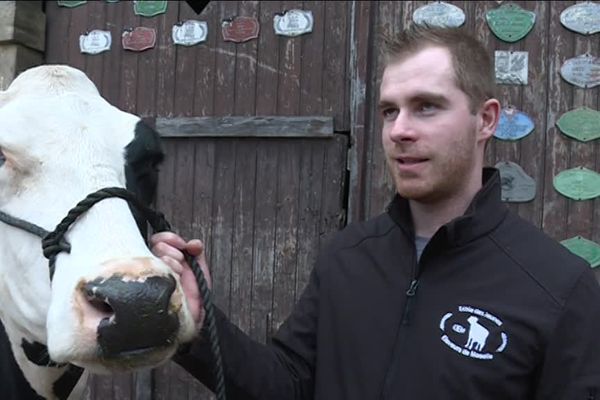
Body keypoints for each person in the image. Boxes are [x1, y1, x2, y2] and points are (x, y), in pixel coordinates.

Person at [151, 25, 600, 399]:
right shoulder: (347, 257)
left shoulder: (558, 287)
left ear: (485, 120)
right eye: (390, 111)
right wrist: (200, 324)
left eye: (426, 107)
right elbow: (286, 386)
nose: (400, 130)